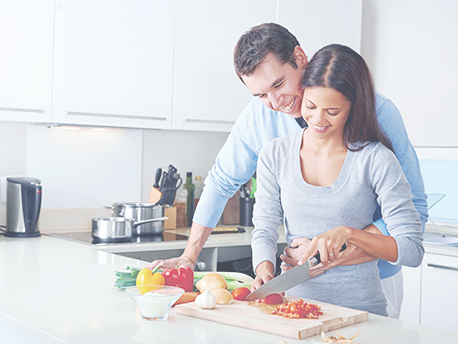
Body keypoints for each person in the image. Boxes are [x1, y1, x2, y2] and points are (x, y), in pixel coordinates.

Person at [146, 23, 428, 318]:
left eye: (279, 85)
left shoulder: (376, 113)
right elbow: (221, 183)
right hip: (301, 291)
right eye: (261, 95)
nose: (275, 103)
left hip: (371, 282)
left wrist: (336, 247)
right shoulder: (263, 121)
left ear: (300, 58)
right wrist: (189, 257)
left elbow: (413, 217)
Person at [250, 43, 424, 316]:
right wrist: (263, 270)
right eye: (310, 106)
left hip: (360, 313)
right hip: (295, 311)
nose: (317, 120)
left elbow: (412, 249)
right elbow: (264, 228)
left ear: (353, 107)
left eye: (332, 112)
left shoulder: (375, 159)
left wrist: (348, 234)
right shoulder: (275, 154)